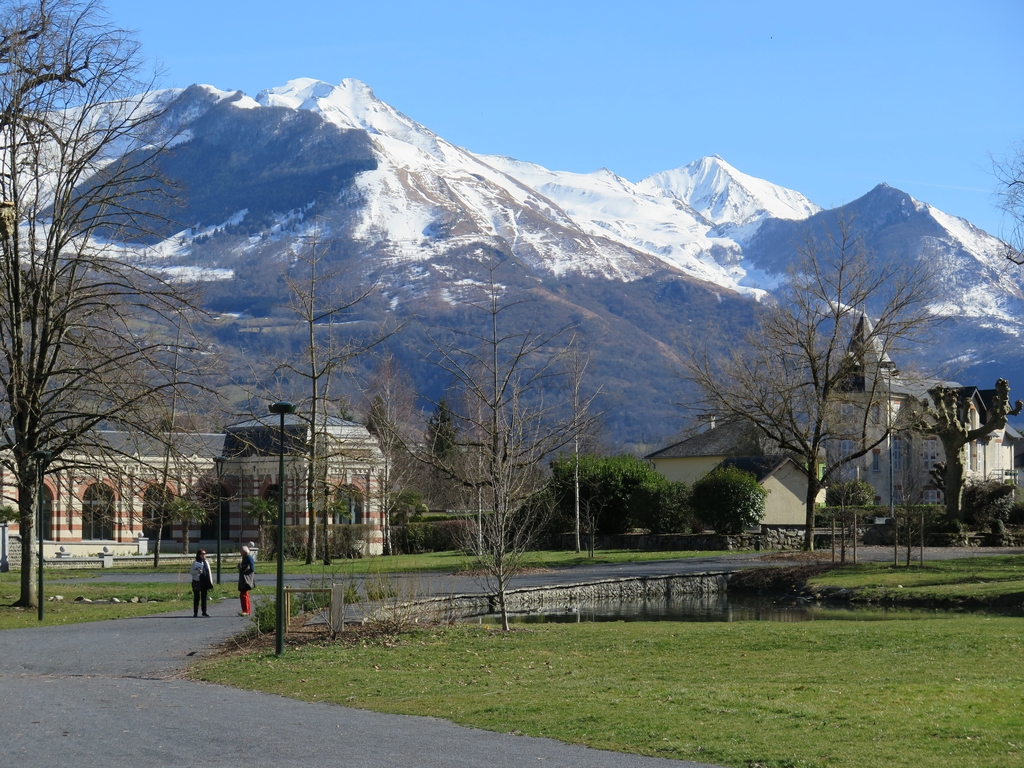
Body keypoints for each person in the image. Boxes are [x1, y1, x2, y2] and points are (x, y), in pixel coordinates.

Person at [189, 549, 213, 617]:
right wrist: (197, 572)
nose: (204, 555)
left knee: (204, 597)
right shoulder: (195, 562)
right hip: (197, 582)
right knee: (197, 597)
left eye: (205, 554)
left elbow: (209, 572)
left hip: (204, 582)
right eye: (202, 554)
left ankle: (204, 611)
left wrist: (210, 582)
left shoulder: (206, 562)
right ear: (199, 555)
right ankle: (195, 612)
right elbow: (191, 572)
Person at [237, 544, 255, 616]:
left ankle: (246, 610)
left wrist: (244, 572)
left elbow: (252, 569)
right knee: (243, 594)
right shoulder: (245, 558)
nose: (240, 553)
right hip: (243, 578)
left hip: (246, 579)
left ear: (244, 552)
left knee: (244, 594)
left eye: (241, 552)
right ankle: (246, 610)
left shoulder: (249, 558)